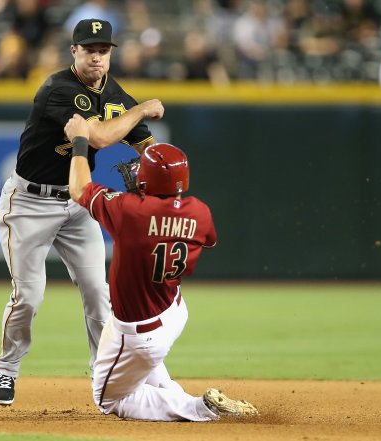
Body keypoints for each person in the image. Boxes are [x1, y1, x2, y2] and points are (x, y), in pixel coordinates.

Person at [0, 18, 165, 406]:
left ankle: (103, 377)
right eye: (90, 50)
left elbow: (150, 151)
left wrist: (165, 172)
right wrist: (143, 109)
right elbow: (97, 136)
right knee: (29, 296)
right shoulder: (58, 88)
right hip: (29, 204)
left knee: (98, 295)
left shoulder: (116, 94)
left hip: (78, 204)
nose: (97, 58)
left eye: (103, 51)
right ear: (74, 52)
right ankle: (7, 370)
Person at [63, 114, 259, 421]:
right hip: (172, 311)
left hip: (140, 330)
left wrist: (79, 141)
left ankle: (199, 408)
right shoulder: (200, 212)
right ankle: (178, 394)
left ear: (148, 180)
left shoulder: (129, 211)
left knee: (109, 400)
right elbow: (204, 239)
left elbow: (79, 188)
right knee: (142, 366)